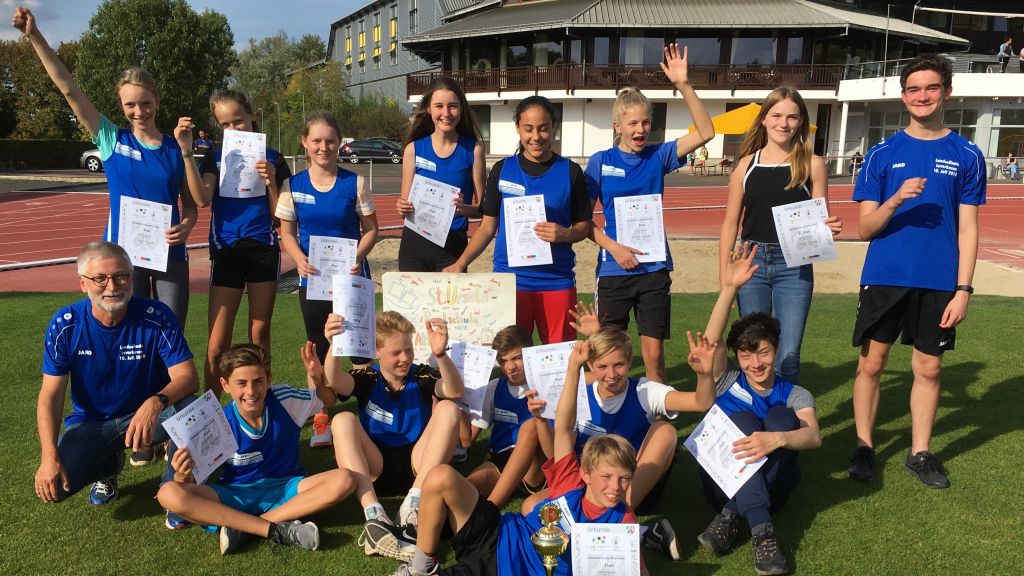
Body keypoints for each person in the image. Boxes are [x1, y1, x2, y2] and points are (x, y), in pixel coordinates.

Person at [385, 338, 649, 576]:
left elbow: (635, 568)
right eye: (606, 477)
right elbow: (565, 427)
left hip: (503, 568)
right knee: (439, 475)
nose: (614, 488)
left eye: (624, 479)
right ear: (586, 474)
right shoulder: (570, 482)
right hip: (498, 532)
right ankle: (422, 565)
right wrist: (573, 368)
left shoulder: (621, 521)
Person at [13, 6, 202, 332]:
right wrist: (34, 36)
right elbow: (69, 90)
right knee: (128, 332)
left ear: (156, 99)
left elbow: (192, 207)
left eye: (145, 102)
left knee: (171, 333)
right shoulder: (111, 139)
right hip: (123, 256)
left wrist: (186, 226)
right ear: (121, 106)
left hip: (169, 253)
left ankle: (168, 386)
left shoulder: (175, 146)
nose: (139, 111)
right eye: (130, 104)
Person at [846, 54, 985, 489]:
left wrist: (963, 289)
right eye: (913, 89)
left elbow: (968, 227)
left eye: (930, 88)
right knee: (872, 364)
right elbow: (864, 226)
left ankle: (919, 452)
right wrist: (896, 199)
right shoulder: (883, 153)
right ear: (902, 95)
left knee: (928, 369)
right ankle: (864, 447)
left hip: (940, 281)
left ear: (946, 92)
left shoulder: (967, 153)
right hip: (886, 275)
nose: (921, 96)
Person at [520, 307, 715, 561]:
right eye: (602, 367)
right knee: (531, 507)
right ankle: (644, 532)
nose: (611, 375)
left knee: (666, 431)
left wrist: (705, 374)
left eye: (619, 365)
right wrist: (539, 420)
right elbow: (555, 452)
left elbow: (701, 402)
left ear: (630, 362)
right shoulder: (579, 391)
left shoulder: (644, 391)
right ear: (590, 365)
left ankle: (615, 522)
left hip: (629, 489)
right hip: (587, 489)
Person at [35, 242, 198, 515]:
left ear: (131, 278)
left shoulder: (156, 316)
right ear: (83, 284)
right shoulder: (65, 324)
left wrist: (155, 402)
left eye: (121, 276)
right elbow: (50, 396)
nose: (112, 287)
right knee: (57, 488)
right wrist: (48, 456)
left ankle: (175, 490)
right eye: (100, 278)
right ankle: (108, 465)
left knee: (190, 409)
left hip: (147, 416)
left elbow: (188, 377)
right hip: (93, 423)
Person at [586, 43, 714, 384]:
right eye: (632, 123)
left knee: (654, 356)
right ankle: (607, 420)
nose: (640, 130)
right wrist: (614, 248)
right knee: (607, 352)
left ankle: (655, 421)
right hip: (614, 269)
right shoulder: (601, 162)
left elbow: (707, 133)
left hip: (654, 267)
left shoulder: (659, 156)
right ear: (617, 125)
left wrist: (684, 85)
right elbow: (582, 222)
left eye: (645, 122)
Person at [692, 242, 821, 576]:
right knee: (745, 420)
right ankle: (763, 533)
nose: (755, 363)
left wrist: (775, 440)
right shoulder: (725, 381)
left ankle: (731, 521)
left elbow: (813, 437)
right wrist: (731, 287)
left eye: (763, 353)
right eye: (746, 355)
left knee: (781, 419)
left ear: (776, 350)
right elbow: (711, 342)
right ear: (736, 356)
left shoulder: (796, 393)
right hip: (723, 484)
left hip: (773, 488)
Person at [157, 342, 354, 554]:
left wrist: (317, 380)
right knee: (168, 493)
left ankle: (245, 528)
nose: (250, 391)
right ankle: (274, 528)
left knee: (345, 479)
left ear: (269, 380)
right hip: (236, 495)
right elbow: (187, 486)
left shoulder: (284, 400)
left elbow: (329, 400)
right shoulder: (215, 422)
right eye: (241, 383)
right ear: (225, 385)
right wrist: (181, 475)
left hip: (287, 488)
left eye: (258, 381)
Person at [718, 85, 842, 384]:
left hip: (794, 266)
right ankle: (754, 415)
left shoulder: (813, 164)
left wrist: (828, 229)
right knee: (753, 349)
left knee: (787, 355)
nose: (783, 123)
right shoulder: (745, 166)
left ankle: (785, 422)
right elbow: (730, 223)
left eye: (792, 117)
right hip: (752, 263)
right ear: (763, 119)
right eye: (776, 115)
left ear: (801, 121)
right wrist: (725, 275)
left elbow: (820, 217)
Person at [443, 96, 591, 344]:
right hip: (510, 282)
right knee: (513, 361)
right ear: (518, 129)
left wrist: (565, 234)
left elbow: (584, 226)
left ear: (553, 128)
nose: (536, 136)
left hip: (556, 281)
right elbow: (488, 227)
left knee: (560, 362)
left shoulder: (570, 171)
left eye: (543, 128)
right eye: (529, 129)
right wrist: (461, 263)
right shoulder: (502, 169)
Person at [275, 112, 379, 448]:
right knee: (318, 351)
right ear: (304, 142)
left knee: (360, 351)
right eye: (316, 141)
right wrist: (298, 259)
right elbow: (286, 233)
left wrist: (358, 255)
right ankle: (321, 421)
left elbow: (372, 230)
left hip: (351, 279)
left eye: (330, 141)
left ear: (339, 143)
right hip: (314, 281)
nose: (323, 147)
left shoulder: (355, 183)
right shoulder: (292, 185)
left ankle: (372, 417)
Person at [324, 312, 464, 560]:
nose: (405, 358)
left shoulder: (421, 374)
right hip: (374, 467)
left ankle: (413, 505)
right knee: (342, 419)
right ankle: (374, 516)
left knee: (449, 408)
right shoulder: (369, 376)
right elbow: (336, 381)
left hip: (418, 468)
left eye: (408, 350)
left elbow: (453, 389)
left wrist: (440, 355)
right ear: (376, 352)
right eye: (396, 353)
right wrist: (334, 344)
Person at [194, 90, 291, 399]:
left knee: (259, 332)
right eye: (225, 124)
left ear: (252, 117)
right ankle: (211, 410)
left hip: (263, 248)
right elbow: (203, 199)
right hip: (226, 251)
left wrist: (271, 182)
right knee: (217, 343)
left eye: (238, 121)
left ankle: (261, 405)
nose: (233, 129)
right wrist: (187, 155)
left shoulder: (273, 156)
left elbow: (280, 219)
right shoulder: (214, 156)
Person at [396, 77, 486, 271]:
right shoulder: (413, 149)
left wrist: (464, 208)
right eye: (439, 106)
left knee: (449, 302)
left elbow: (484, 209)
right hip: (414, 245)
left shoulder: (474, 151)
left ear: (461, 109)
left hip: (452, 248)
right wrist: (402, 206)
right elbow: (405, 205)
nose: (446, 113)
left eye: (452, 106)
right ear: (429, 109)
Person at [460, 325, 547, 509]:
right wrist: (458, 400)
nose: (510, 367)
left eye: (517, 358)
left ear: (530, 353)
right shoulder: (494, 387)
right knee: (465, 488)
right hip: (501, 461)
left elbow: (588, 377)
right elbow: (467, 439)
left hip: (534, 466)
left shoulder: (547, 385)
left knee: (531, 426)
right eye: (503, 360)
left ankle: (491, 508)